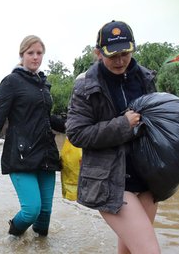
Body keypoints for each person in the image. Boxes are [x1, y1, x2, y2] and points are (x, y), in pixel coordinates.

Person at [66, 20, 160, 254]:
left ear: (133, 48)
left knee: (129, 250)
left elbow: (159, 120)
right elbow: (76, 133)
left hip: (148, 178)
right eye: (112, 55)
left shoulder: (145, 79)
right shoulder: (86, 85)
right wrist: (122, 125)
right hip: (109, 181)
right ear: (98, 53)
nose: (120, 61)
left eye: (125, 53)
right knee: (149, 251)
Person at [0, 35, 63, 237]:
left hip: (46, 154)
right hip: (21, 155)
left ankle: (41, 247)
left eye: (39, 53)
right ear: (22, 55)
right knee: (31, 210)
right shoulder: (12, 82)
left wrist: (73, 126)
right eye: (30, 53)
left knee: (45, 213)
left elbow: (45, 117)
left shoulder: (44, 84)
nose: (35, 57)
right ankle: (12, 239)